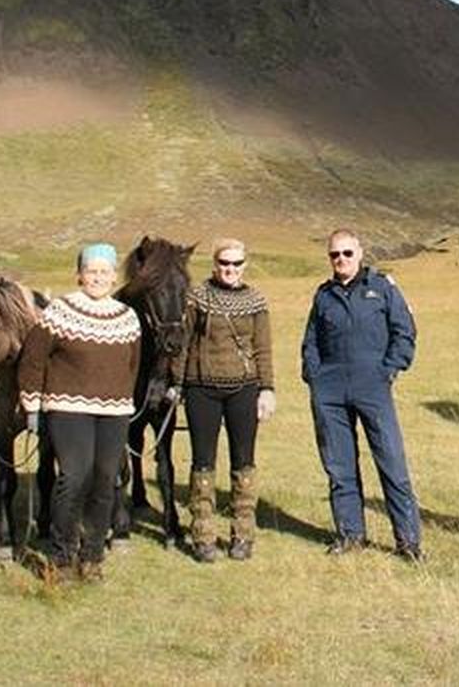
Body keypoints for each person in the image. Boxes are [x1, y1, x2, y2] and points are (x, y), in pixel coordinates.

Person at [18, 242, 140, 581]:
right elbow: (33, 358)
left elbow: (133, 364)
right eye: (91, 271)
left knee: (105, 481)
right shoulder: (59, 311)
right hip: (67, 407)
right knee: (73, 477)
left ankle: (93, 555)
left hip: (114, 411)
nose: (98, 278)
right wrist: (31, 401)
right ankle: (61, 556)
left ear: (114, 276)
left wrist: (124, 400)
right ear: (79, 275)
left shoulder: (127, 317)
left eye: (104, 272)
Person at [301, 229, 424, 561]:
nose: (340, 260)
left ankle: (408, 542)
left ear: (360, 253)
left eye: (346, 253)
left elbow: (405, 331)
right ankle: (350, 534)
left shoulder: (382, 288)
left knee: (392, 462)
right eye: (334, 255)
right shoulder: (323, 296)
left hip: (373, 387)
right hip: (330, 391)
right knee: (339, 466)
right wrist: (314, 376)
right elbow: (310, 341)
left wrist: (389, 369)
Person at [167, 238, 275, 563]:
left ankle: (243, 535)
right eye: (224, 263)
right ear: (215, 264)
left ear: (245, 265)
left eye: (236, 264)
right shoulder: (197, 297)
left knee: (244, 461)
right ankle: (202, 535)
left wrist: (267, 389)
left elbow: (263, 349)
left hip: (244, 388)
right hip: (202, 390)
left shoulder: (256, 301)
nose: (230, 269)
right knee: (203, 461)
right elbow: (184, 342)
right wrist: (178, 383)